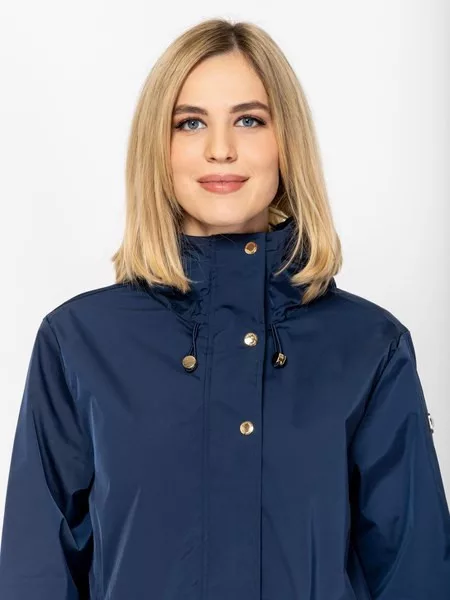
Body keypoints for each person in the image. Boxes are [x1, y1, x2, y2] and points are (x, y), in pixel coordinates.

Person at [0, 17, 449, 600]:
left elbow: (414, 573)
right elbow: (36, 572)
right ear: (158, 149)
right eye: (190, 123)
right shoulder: (79, 342)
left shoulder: (369, 347)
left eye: (249, 119)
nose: (220, 149)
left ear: (286, 141)